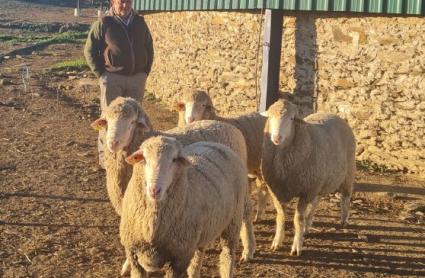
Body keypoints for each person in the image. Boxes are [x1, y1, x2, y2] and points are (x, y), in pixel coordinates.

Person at [84, 0, 154, 168]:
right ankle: (107, 160)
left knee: (134, 119)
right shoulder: (104, 23)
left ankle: (131, 156)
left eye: (128, 2)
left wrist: (145, 72)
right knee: (109, 119)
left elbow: (149, 47)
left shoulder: (140, 23)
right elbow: (89, 50)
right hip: (113, 79)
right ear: (113, 2)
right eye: (121, 2)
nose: (125, 6)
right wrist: (102, 74)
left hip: (136, 79)